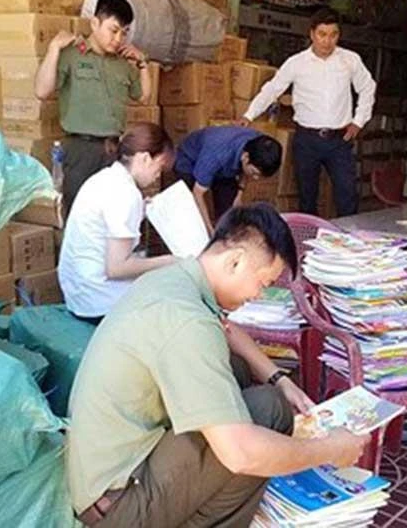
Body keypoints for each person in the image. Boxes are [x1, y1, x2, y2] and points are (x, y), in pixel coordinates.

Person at [66, 204, 369, 527]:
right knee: (267, 411)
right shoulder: (188, 322)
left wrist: (280, 379)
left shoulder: (175, 280)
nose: (258, 295)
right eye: (263, 283)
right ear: (235, 261)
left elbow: (226, 330)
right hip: (120, 508)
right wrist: (330, 449)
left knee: (239, 372)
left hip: (107, 480)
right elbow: (239, 453)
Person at [239, 7, 376, 217]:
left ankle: (349, 237)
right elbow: (273, 89)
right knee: (307, 198)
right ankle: (309, 237)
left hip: (340, 140)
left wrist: (359, 121)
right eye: (322, 34)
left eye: (333, 35)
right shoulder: (296, 63)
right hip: (306, 140)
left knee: (347, 195)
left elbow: (367, 87)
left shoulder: (350, 60)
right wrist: (249, 115)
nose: (327, 41)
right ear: (312, 34)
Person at [34, 0, 154, 218]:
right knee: (79, 215)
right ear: (95, 23)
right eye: (113, 30)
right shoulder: (71, 55)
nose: (118, 39)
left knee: (115, 216)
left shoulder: (123, 64)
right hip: (81, 150)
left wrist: (143, 64)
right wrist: (53, 49)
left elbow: (144, 97)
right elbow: (41, 91)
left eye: (124, 33)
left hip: (114, 150)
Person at [58, 123, 177, 325]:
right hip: (99, 302)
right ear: (145, 158)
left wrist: (143, 210)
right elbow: (117, 268)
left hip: (77, 293)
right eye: (159, 168)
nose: (158, 176)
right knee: (172, 296)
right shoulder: (127, 193)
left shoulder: (105, 178)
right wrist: (169, 262)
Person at [174, 126, 283, 235]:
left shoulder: (259, 144)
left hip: (224, 167)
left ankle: (223, 235)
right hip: (190, 161)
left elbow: (245, 170)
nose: (255, 178)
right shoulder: (216, 154)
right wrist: (209, 229)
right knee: (192, 214)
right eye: (254, 173)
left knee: (228, 210)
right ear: (245, 157)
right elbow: (197, 193)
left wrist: (239, 194)